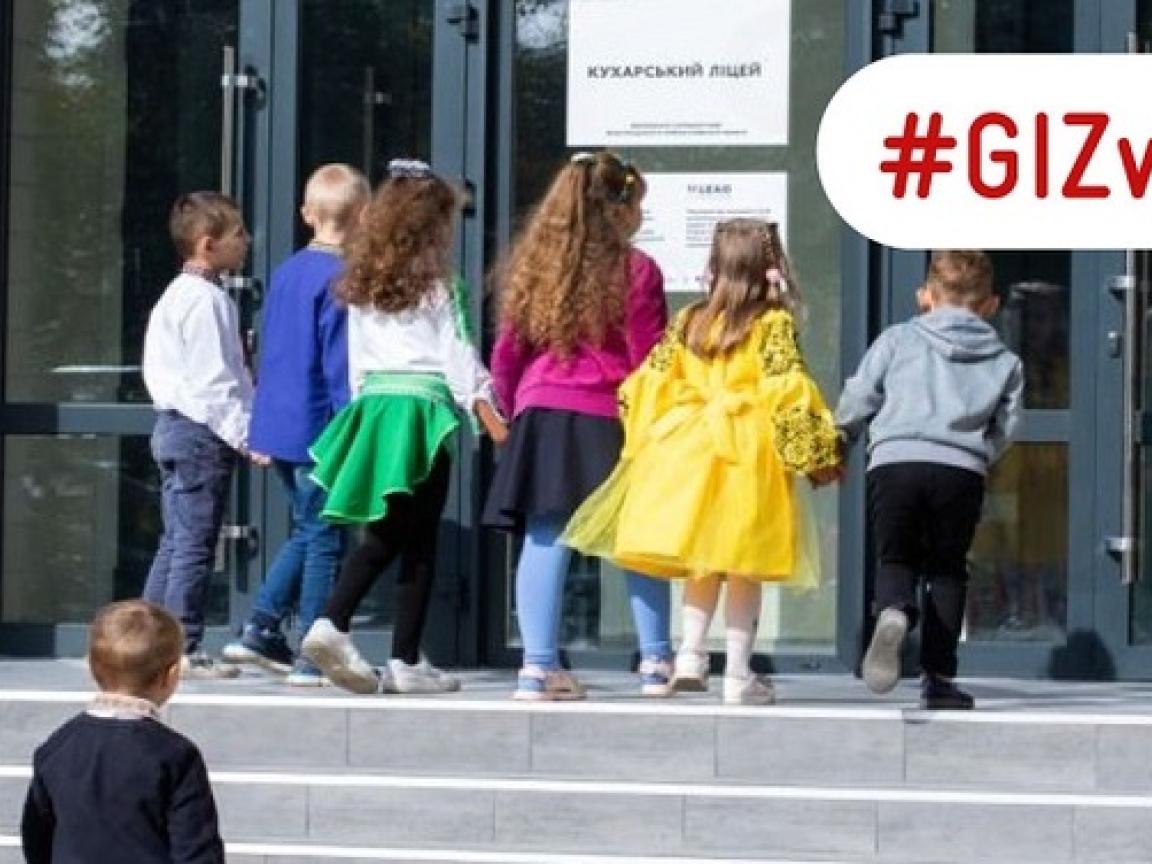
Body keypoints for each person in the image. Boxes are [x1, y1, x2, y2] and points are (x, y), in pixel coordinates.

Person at [564, 218, 842, 705]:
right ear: (771, 268)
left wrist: (647, 435)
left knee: (702, 561)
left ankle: (690, 654)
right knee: (744, 565)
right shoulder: (772, 323)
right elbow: (787, 386)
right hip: (746, 454)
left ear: (712, 267)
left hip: (688, 448)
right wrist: (812, 449)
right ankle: (737, 675)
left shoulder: (689, 319)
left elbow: (647, 380)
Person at [301, 159, 506, 695]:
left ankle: (403, 657)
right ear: (432, 227)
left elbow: (356, 362)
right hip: (422, 413)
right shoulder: (441, 285)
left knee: (398, 529)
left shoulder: (360, 284)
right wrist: (486, 411)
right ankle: (336, 622)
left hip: (376, 409)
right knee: (409, 538)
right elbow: (458, 354)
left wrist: (364, 413)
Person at [483, 151, 674, 701]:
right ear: (618, 208)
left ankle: (538, 667)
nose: (640, 216)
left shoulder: (534, 268)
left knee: (547, 534)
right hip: (609, 413)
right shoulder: (637, 270)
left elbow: (508, 352)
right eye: (638, 204)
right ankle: (656, 662)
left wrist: (510, 406)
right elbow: (648, 357)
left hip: (541, 412)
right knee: (636, 539)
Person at [836, 250, 1023, 710]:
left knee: (895, 556)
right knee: (947, 569)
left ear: (925, 297)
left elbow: (861, 393)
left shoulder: (897, 339)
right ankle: (938, 678)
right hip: (959, 471)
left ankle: (895, 610)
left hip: (895, 463)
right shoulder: (1004, 359)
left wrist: (843, 434)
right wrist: (979, 455)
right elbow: (1009, 424)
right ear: (991, 305)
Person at [223, 164, 369, 687]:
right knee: (326, 538)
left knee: (310, 530)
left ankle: (261, 627)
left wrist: (261, 428)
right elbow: (337, 365)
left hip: (281, 426)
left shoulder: (286, 271)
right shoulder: (342, 279)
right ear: (364, 215)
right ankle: (312, 650)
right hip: (319, 429)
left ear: (307, 214)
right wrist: (352, 428)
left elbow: (276, 354)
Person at [142, 192, 254, 679]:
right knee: (193, 543)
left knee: (176, 539)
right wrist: (247, 436)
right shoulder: (206, 302)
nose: (246, 242)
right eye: (238, 235)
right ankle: (182, 643)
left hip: (173, 428)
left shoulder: (179, 296)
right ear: (208, 245)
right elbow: (214, 385)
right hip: (198, 432)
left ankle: (147, 639)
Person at [21, 600, 225, 863]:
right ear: (171, 676)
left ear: (93, 668)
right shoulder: (176, 756)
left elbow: (36, 838)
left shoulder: (57, 747)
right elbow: (197, 851)